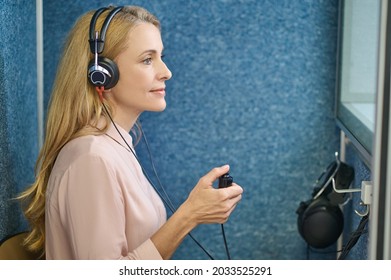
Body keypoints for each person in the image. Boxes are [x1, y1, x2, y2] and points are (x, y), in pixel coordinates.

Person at [18, 5, 243, 260]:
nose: (166, 72)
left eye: (161, 56)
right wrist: (188, 215)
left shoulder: (117, 147)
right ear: (101, 75)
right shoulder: (92, 158)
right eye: (147, 59)